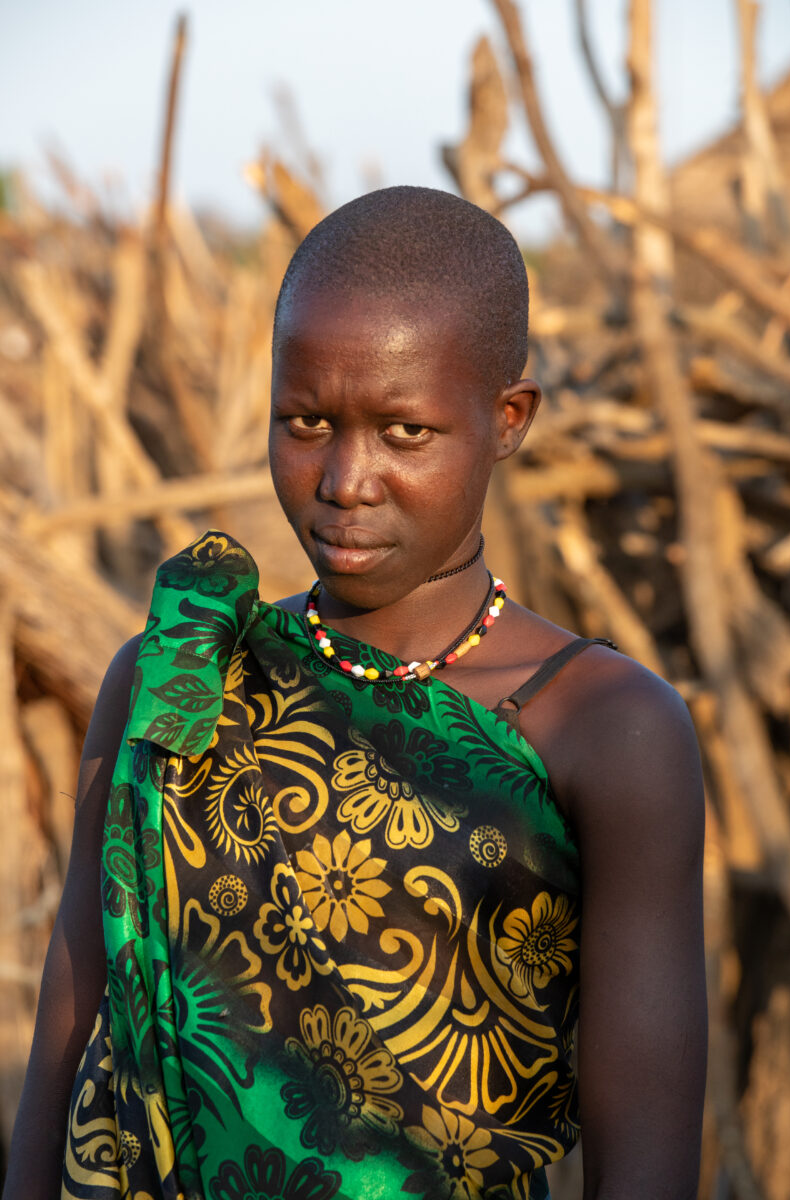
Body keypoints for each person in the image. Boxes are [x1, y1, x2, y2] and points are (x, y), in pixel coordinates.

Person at [4, 187, 707, 1200]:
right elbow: (80, 999)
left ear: (506, 419)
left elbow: (642, 1154)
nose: (344, 478)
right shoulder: (178, 676)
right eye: (306, 421)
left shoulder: (605, 729)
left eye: (404, 433)